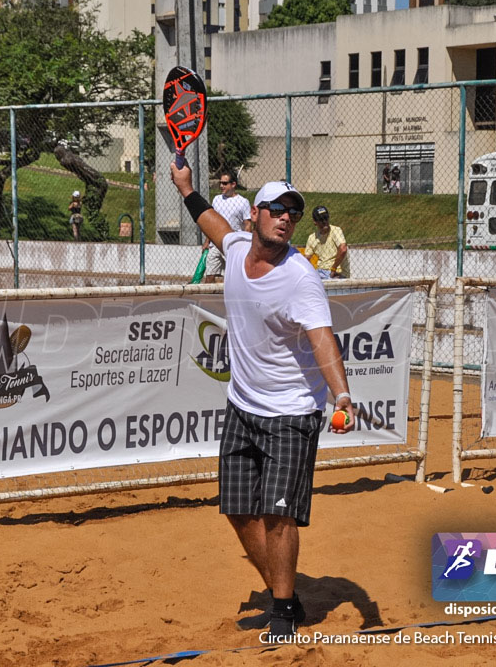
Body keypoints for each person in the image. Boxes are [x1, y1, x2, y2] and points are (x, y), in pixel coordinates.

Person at [170, 161, 355, 641]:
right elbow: (213, 223)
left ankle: (281, 610)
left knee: (277, 514)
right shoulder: (234, 248)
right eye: (277, 209)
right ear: (255, 214)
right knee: (236, 509)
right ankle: (286, 595)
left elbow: (322, 338)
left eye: (292, 213)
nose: (286, 218)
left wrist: (343, 394)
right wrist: (187, 189)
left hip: (291, 412)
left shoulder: (301, 277)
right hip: (242, 406)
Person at [202, 170, 252, 283]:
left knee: (234, 278)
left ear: (233, 184)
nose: (221, 186)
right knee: (209, 276)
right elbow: (211, 223)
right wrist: (207, 242)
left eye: (224, 183)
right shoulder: (217, 199)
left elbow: (247, 224)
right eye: (220, 183)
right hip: (215, 243)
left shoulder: (243, 202)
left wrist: (246, 244)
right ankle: (208, 299)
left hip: (233, 244)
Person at [304, 206, 349, 279]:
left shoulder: (335, 230)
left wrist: (333, 269)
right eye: (321, 219)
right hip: (320, 271)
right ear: (315, 222)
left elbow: (343, 249)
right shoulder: (312, 237)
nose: (324, 221)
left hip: (336, 271)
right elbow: (306, 259)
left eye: (326, 218)